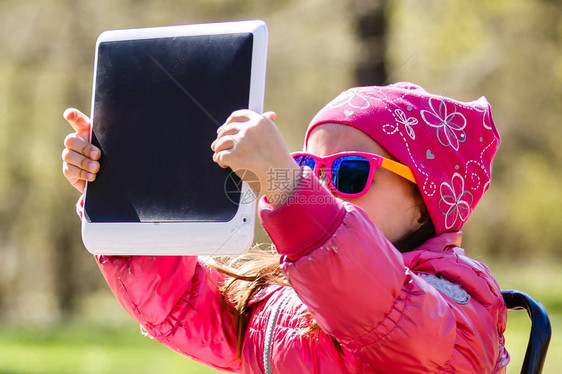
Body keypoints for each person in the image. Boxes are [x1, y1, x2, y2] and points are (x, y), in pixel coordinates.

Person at [62, 82, 510, 373]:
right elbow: (181, 302)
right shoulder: (285, 291)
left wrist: (288, 184)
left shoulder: (455, 300)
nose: (323, 189)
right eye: (309, 168)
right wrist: (121, 190)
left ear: (423, 203)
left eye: (350, 173)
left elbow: (381, 308)